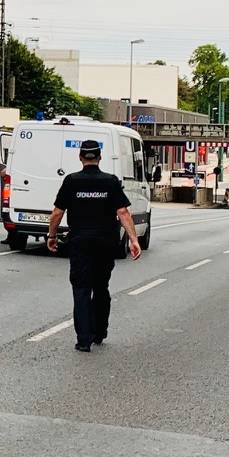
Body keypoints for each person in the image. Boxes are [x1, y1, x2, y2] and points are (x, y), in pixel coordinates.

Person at [46, 139, 142, 353]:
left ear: (80, 157)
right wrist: (133, 239)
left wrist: (51, 235)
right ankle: (99, 332)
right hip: (105, 243)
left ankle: (83, 340)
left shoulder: (71, 181)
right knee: (101, 287)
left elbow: (57, 212)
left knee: (81, 289)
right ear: (99, 157)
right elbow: (123, 212)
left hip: (80, 243)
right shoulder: (110, 181)